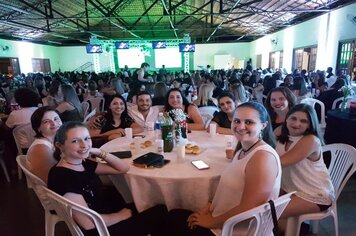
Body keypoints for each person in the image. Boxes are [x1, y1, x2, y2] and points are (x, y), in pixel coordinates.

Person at [167, 102, 281, 236]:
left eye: (249, 122)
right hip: (221, 220)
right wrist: (208, 207)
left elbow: (251, 209)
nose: (241, 126)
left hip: (233, 230)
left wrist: (212, 222)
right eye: (237, 121)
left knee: (163, 221)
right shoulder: (242, 150)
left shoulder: (262, 157)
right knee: (167, 214)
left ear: (263, 125)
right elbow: (227, 189)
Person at [47, 121, 168, 236]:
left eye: (86, 139)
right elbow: (88, 224)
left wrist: (99, 152)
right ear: (60, 145)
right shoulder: (62, 176)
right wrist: (121, 215)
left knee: (149, 204)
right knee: (161, 212)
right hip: (102, 230)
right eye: (75, 141)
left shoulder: (80, 163)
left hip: (107, 214)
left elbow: (123, 168)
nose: (84, 145)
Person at [276, 104, 335, 232]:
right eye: (293, 118)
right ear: (286, 119)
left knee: (270, 212)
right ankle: (298, 229)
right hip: (290, 188)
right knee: (260, 204)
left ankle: (297, 230)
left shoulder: (311, 140)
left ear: (310, 125)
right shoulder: (281, 133)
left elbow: (281, 162)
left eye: (303, 121)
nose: (296, 123)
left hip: (315, 193)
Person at [26, 106, 62, 183]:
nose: (54, 123)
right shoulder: (40, 149)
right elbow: (51, 180)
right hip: (55, 192)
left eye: (56, 118)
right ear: (38, 128)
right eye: (46, 121)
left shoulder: (55, 140)